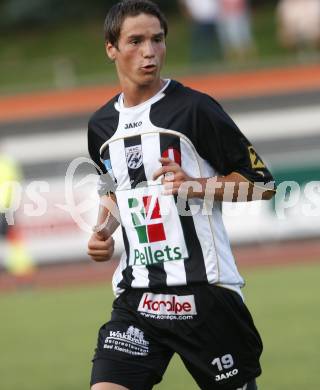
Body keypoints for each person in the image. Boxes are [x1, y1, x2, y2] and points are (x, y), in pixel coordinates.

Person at [87, 1, 276, 389]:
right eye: (136, 41)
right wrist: (103, 229)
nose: (149, 51)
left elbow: (262, 183)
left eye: (157, 40)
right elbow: (112, 188)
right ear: (111, 48)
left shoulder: (195, 110)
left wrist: (198, 186)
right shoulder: (101, 126)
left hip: (205, 296)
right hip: (138, 297)